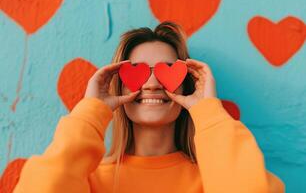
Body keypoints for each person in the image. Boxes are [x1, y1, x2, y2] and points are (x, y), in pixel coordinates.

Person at [12, 21, 285, 193]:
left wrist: (208, 111)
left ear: (186, 85)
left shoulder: (214, 178)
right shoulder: (89, 180)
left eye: (168, 70)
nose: (152, 83)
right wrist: (91, 111)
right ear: (117, 86)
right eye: (137, 71)